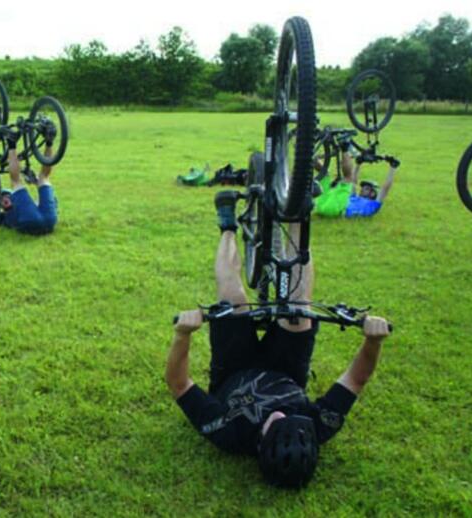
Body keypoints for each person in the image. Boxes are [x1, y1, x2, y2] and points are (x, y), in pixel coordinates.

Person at [165, 192, 391, 488]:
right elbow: (356, 380)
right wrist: (373, 341)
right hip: (285, 368)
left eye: (275, 421)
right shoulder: (319, 426)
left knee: (231, 296)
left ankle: (227, 226)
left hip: (234, 370)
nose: (280, 412)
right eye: (289, 417)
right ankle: (299, 214)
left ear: (260, 443)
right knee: (299, 306)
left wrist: (183, 335)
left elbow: (178, 384)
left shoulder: (228, 433)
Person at [0, 130, 58, 235]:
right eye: (2, 198)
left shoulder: (4, 217)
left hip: (45, 222)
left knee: (25, 180)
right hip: (48, 220)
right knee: (41, 178)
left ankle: (45, 141)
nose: (4, 199)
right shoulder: (1, 218)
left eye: (5, 196)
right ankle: (45, 141)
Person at [315, 151, 399, 218]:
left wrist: (393, 167)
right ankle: (308, 151)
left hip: (335, 209)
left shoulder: (373, 205)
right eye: (362, 187)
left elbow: (385, 188)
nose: (361, 189)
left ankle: (344, 147)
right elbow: (354, 181)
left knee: (348, 177)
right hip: (321, 204)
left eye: (365, 188)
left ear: (372, 193)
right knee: (324, 173)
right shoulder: (354, 197)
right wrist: (359, 163)